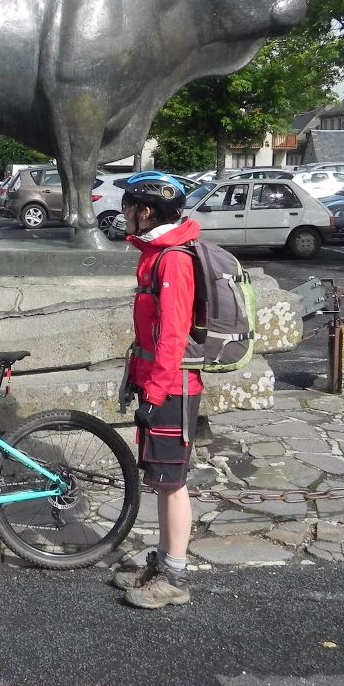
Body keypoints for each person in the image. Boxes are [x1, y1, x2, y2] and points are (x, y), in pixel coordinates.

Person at [112, 171, 203, 609]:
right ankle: (165, 560)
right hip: (159, 382)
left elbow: (172, 336)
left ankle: (175, 576)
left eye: (128, 206)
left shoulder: (173, 261)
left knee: (172, 482)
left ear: (145, 212)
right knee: (163, 480)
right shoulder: (156, 254)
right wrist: (137, 379)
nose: (123, 214)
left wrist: (154, 394)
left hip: (173, 387)